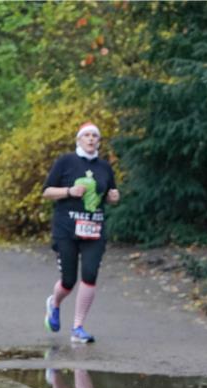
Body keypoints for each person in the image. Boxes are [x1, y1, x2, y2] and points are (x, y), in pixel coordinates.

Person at [41, 122, 120, 344]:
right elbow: (47, 192)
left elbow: (111, 193)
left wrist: (114, 198)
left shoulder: (104, 167)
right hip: (66, 229)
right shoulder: (66, 161)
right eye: (86, 135)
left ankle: (78, 327)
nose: (91, 139)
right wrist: (69, 191)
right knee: (68, 280)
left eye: (95, 136)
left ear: (99, 141)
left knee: (90, 275)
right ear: (78, 140)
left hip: (94, 229)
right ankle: (54, 303)